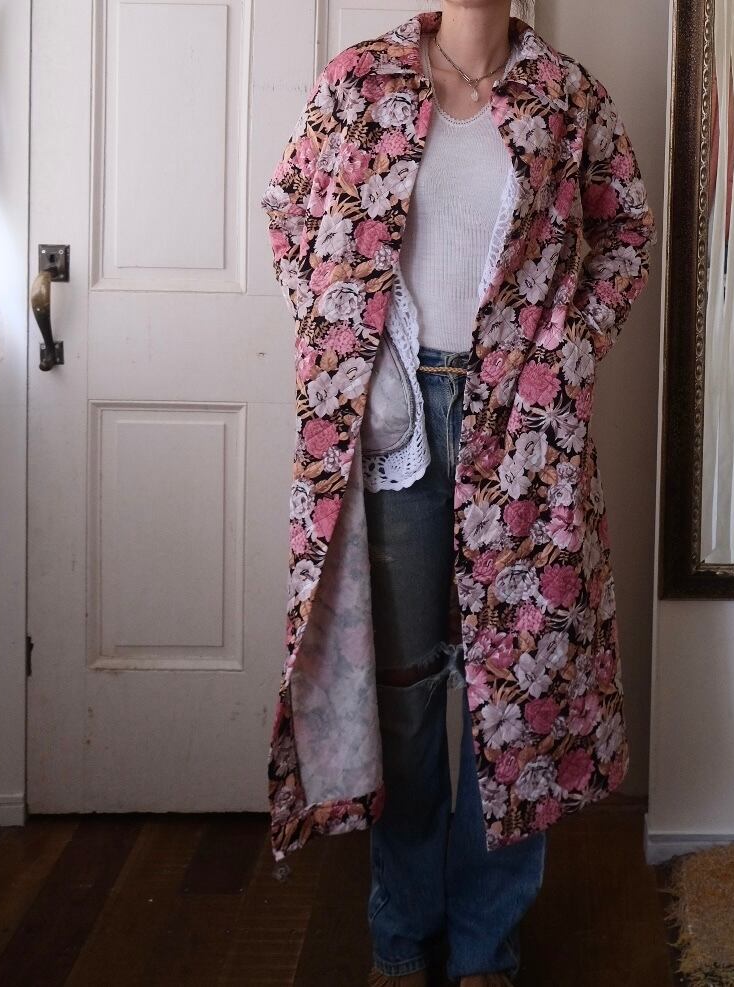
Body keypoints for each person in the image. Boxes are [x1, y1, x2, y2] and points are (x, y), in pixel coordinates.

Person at [262, 2, 656, 985]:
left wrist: (568, 353)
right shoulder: (358, 83)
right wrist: (339, 333)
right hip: (390, 420)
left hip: (522, 429)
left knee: (513, 696)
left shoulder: (567, 98)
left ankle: (485, 942)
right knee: (402, 694)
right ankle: (403, 930)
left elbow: (625, 231)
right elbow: (290, 209)